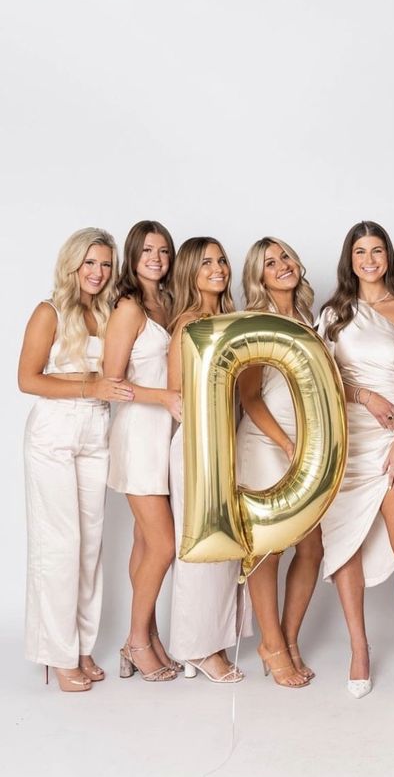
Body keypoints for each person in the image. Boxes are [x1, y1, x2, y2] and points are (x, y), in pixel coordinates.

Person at [318, 220, 394, 713]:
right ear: (351, 257)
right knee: (343, 548)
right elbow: (316, 382)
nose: (370, 259)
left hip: (392, 439)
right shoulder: (332, 313)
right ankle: (359, 649)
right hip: (346, 439)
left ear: (388, 255)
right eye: (361, 251)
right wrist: (363, 395)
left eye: (378, 250)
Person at [19, 228, 133, 691]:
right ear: (72, 264)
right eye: (90, 263)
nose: (98, 272)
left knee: (90, 545)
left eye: (106, 264)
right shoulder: (50, 311)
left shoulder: (107, 312)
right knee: (59, 544)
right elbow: (27, 379)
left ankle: (81, 646)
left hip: (96, 428)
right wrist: (89, 387)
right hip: (53, 429)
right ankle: (57, 654)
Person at [236, 237, 322, 688]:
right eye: (271, 263)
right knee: (267, 549)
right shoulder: (255, 322)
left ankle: (285, 639)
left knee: (311, 548)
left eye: (286, 256)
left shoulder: (310, 317)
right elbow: (249, 396)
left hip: (308, 448)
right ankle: (270, 642)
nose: (282, 265)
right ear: (259, 276)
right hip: (267, 444)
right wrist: (288, 445)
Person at [167, 237, 250, 683]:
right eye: (206, 263)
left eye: (221, 260)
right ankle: (198, 649)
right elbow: (177, 394)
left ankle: (207, 642)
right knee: (201, 548)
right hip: (198, 448)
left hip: (225, 445)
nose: (217, 268)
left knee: (223, 550)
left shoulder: (227, 319)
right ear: (189, 272)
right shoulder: (189, 324)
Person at [105, 220, 181, 682]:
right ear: (133, 256)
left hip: (164, 435)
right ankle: (137, 640)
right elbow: (111, 384)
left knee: (143, 542)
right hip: (137, 433)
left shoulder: (166, 303)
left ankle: (144, 638)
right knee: (164, 545)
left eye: (164, 251)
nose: (156, 258)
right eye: (148, 250)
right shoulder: (130, 308)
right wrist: (164, 399)